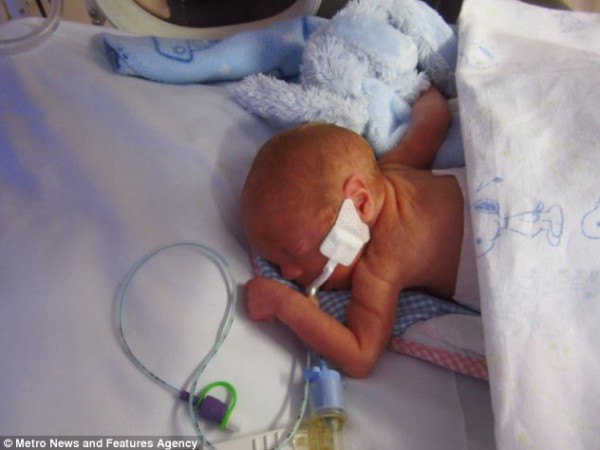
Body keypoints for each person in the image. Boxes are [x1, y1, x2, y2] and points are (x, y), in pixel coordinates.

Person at [241, 86, 475, 378]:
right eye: (278, 264)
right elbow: (436, 118)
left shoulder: (379, 267)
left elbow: (360, 357)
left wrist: (285, 305)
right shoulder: (397, 169)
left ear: (360, 203)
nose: (287, 273)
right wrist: (427, 91)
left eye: (295, 251)